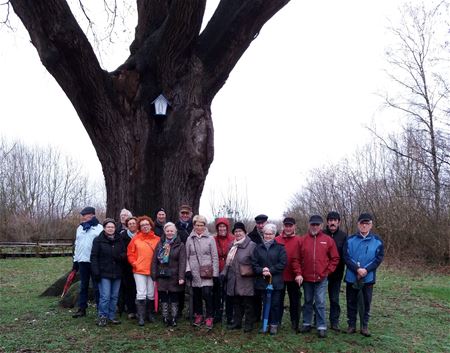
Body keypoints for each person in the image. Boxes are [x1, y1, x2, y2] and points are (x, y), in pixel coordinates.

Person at [343, 213, 384, 337]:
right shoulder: (350, 240)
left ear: (371, 225)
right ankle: (351, 325)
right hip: (352, 277)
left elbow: (378, 258)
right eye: (362, 223)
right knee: (351, 301)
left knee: (366, 302)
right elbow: (346, 257)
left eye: (367, 223)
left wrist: (366, 270)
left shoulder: (377, 241)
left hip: (368, 278)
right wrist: (357, 269)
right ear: (358, 224)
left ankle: (364, 326)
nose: (364, 225)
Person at [299, 215, 339, 338]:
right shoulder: (303, 240)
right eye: (313, 224)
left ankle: (321, 326)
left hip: (321, 278)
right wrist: (300, 273)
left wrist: (328, 271)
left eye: (317, 225)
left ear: (321, 226)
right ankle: (307, 323)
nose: (315, 227)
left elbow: (335, 258)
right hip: (307, 278)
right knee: (307, 301)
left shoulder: (328, 240)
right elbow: (297, 259)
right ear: (309, 225)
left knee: (320, 302)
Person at [251, 223, 287, 335]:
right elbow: (254, 263)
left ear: (274, 234)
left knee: (275, 304)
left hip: (275, 281)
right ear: (263, 234)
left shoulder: (280, 248)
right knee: (264, 303)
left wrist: (270, 270)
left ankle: (274, 324)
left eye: (270, 234)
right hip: (262, 281)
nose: (268, 236)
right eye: (266, 234)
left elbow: (282, 263)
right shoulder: (258, 248)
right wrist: (262, 270)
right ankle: (264, 324)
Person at [185, 215, 219, 330]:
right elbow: (186, 256)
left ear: (205, 226)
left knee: (207, 294)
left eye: (201, 225)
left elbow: (215, 257)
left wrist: (215, 274)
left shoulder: (210, 239)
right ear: (194, 225)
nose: (199, 227)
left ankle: (209, 316)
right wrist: (188, 269)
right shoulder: (190, 239)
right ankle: (198, 315)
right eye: (197, 225)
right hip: (194, 272)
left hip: (207, 272)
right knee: (197, 295)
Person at [90, 218, 126, 326]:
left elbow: (124, 252)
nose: (110, 229)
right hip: (103, 272)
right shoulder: (98, 240)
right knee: (105, 296)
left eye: (112, 227)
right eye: (108, 227)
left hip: (117, 272)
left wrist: (121, 256)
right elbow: (94, 256)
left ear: (115, 228)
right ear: (104, 228)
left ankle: (111, 316)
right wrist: (96, 271)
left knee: (114, 296)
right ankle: (102, 316)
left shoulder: (119, 239)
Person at [223, 222, 256, 333]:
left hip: (246, 279)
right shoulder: (231, 246)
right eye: (236, 231)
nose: (238, 233)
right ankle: (237, 323)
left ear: (245, 232)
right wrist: (224, 274)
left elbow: (255, 262)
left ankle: (248, 324)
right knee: (236, 303)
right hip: (234, 279)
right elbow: (228, 262)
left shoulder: (251, 245)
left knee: (248, 304)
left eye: (240, 231)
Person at [151, 222, 186, 327]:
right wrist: (154, 274)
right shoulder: (160, 243)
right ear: (165, 232)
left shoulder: (180, 245)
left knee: (174, 296)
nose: (170, 233)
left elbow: (182, 262)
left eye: (172, 231)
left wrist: (181, 277)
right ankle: (165, 317)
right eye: (168, 231)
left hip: (174, 275)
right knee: (164, 297)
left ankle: (174, 317)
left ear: (175, 232)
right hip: (162, 274)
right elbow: (154, 260)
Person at [127, 215, 159, 326]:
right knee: (141, 293)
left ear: (150, 225)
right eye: (142, 225)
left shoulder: (157, 239)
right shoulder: (135, 239)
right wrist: (134, 264)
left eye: (147, 224)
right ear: (139, 227)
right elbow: (130, 253)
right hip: (139, 270)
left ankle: (149, 314)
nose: (145, 226)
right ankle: (140, 316)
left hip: (153, 270)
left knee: (151, 293)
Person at [72, 206, 103, 318]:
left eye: (85, 215)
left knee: (97, 286)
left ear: (92, 215)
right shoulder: (79, 228)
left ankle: (100, 309)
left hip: (95, 262)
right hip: (82, 261)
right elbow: (77, 245)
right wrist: (75, 261)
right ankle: (82, 308)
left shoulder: (100, 228)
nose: (83, 217)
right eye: (83, 215)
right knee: (83, 286)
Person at [275, 217, 303, 332]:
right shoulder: (277, 239)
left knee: (295, 301)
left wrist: (299, 273)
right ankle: (277, 321)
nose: (288, 228)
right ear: (283, 226)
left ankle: (295, 322)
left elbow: (302, 257)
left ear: (294, 226)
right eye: (286, 226)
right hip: (279, 276)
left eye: (290, 226)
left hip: (294, 276)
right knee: (278, 300)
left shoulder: (299, 240)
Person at [323, 211, 348, 331]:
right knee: (319, 298)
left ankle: (334, 322)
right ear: (327, 222)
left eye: (335, 220)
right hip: (322, 273)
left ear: (338, 222)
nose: (332, 222)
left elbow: (345, 255)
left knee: (334, 299)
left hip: (337, 273)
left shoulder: (343, 236)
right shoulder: (321, 234)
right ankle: (317, 319)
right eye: (330, 220)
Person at [213, 217, 234, 325]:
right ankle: (217, 314)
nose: (222, 229)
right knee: (217, 293)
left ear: (227, 227)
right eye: (220, 226)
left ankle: (230, 315)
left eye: (223, 226)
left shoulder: (232, 238)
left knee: (229, 293)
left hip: (229, 269)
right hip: (217, 269)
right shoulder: (213, 239)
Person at [175, 204, 194, 318]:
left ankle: (193, 311)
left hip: (193, 259)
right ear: (180, 214)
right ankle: (179, 310)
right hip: (179, 260)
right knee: (179, 287)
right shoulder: (175, 227)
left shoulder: (195, 226)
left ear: (191, 214)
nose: (185, 215)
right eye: (183, 213)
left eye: (187, 213)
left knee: (193, 287)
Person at [119, 216, 138, 319]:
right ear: (127, 226)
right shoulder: (123, 236)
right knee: (129, 288)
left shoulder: (140, 235)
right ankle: (131, 310)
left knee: (139, 289)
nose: (132, 225)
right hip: (127, 266)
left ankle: (140, 309)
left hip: (140, 265)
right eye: (130, 224)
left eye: (133, 223)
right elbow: (121, 250)